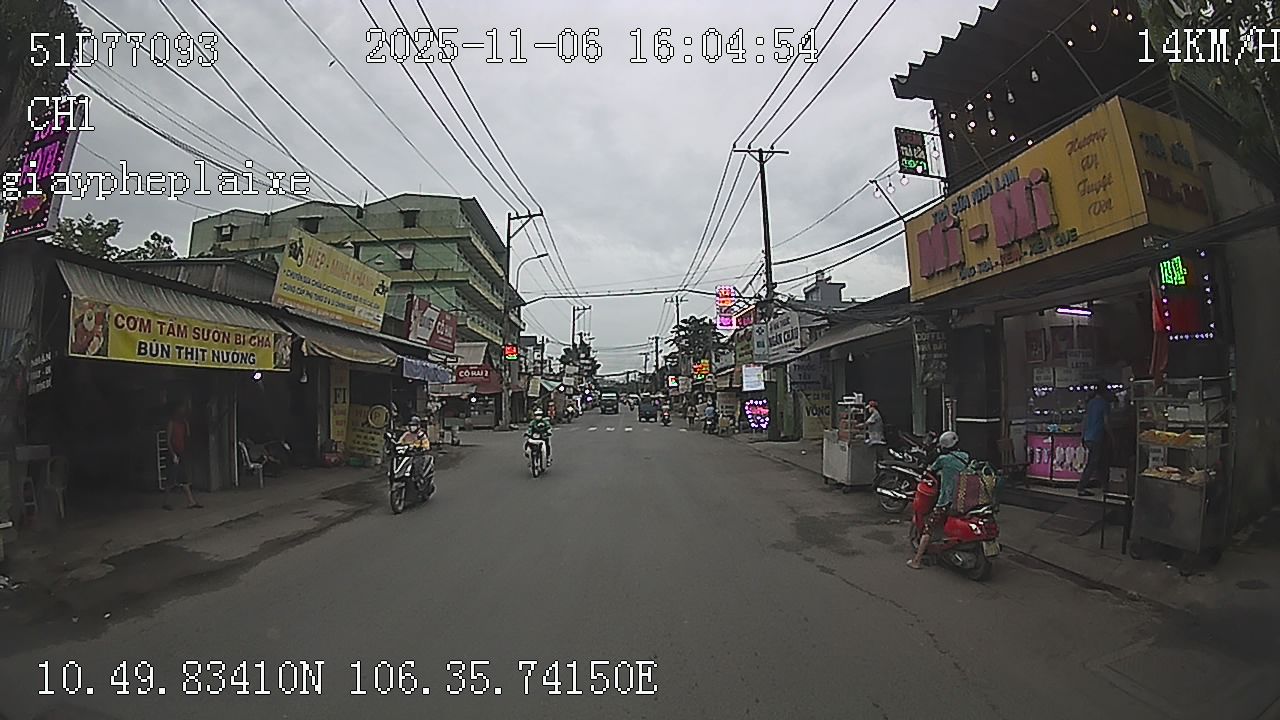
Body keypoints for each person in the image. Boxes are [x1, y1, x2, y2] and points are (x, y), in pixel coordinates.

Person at [908, 430, 969, 569]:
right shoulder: (965, 456)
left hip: (946, 500)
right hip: (963, 498)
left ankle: (917, 561)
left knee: (928, 528)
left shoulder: (944, 459)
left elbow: (930, 469)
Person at [164, 398, 203, 510]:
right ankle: (166, 502)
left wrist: (187, 426)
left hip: (181, 452)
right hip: (174, 453)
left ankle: (191, 501)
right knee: (172, 478)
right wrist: (173, 454)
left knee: (183, 477)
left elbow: (187, 437)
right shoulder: (172, 423)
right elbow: (168, 440)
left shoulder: (183, 423)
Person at [1078, 386, 1112, 496]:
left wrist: (1083, 435)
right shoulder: (1105, 404)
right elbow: (1106, 422)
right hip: (1098, 436)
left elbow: (1085, 420)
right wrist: (1112, 435)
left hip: (1088, 437)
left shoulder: (1090, 403)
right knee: (1095, 463)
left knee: (1098, 462)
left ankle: (1105, 486)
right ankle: (1081, 487)